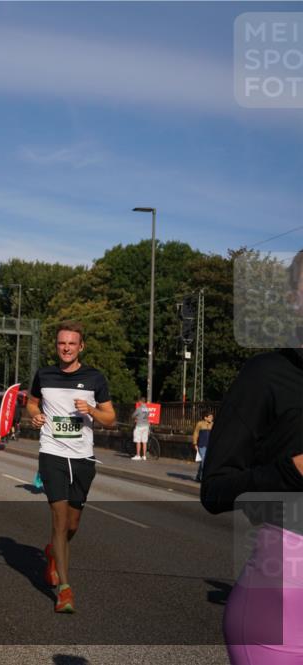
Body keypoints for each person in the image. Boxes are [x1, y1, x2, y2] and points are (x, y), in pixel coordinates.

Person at [201, 250, 303, 665]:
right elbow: (216, 489)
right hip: (282, 618)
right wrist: (289, 471)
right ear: (294, 297)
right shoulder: (267, 374)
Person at [27, 320, 115, 613]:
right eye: (62, 343)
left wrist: (91, 410)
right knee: (59, 521)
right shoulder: (44, 374)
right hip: (52, 454)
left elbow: (110, 418)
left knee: (72, 526)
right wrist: (35, 415)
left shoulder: (95, 378)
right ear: (57, 346)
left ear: (81, 347)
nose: (66, 348)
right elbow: (31, 402)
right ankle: (65, 589)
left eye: (72, 344)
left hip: (83, 458)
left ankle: (53, 550)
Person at [192, 412, 213, 482]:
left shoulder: (212, 424)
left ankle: (198, 476)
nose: (211, 418)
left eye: (212, 417)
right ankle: (204, 478)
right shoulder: (200, 424)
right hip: (201, 445)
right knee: (204, 461)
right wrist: (195, 444)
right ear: (205, 417)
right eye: (210, 417)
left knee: (203, 462)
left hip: (209, 446)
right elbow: (196, 433)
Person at [132, 396, 151, 460]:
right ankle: (144, 456)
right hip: (146, 426)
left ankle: (138, 455)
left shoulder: (139, 408)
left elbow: (133, 415)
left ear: (140, 401)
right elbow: (146, 417)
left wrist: (136, 418)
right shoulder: (147, 409)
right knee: (144, 442)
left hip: (139, 426)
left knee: (138, 441)